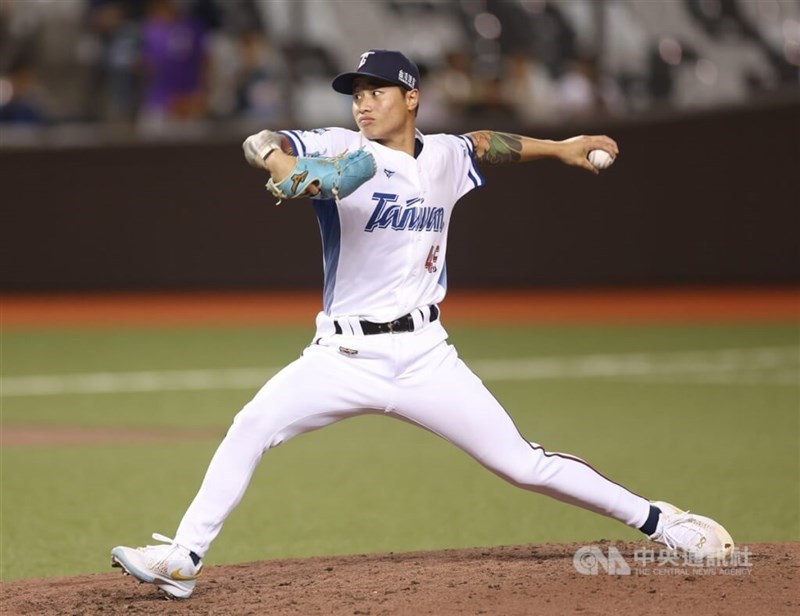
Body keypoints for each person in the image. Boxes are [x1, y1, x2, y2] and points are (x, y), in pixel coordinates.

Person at [111, 49, 734, 599]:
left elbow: (484, 142)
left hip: (425, 355)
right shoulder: (341, 148)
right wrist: (275, 157)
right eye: (356, 94)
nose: (362, 104)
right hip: (340, 357)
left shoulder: (440, 157)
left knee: (522, 464)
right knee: (251, 426)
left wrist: (559, 147)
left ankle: (662, 522)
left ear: (412, 98)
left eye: (375, 91)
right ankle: (182, 558)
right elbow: (270, 146)